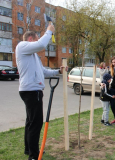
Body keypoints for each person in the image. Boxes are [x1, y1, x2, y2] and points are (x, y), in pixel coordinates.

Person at [16, 24, 68, 160]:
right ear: (31, 39)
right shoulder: (22, 46)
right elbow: (41, 45)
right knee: (36, 123)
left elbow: (44, 72)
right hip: (31, 91)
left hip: (32, 90)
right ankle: (33, 155)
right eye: (37, 39)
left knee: (30, 122)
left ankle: (29, 149)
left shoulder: (32, 56)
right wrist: (49, 32)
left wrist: (58, 71)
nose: (39, 42)